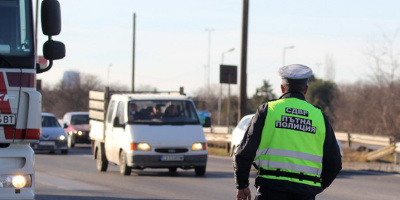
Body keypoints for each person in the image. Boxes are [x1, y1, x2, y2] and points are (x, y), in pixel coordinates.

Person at [233, 64, 342, 200]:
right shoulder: (319, 116)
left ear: (282, 88)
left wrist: (242, 185)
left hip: (270, 191)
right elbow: (335, 163)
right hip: (304, 193)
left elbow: (243, 153)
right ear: (306, 90)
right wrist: (316, 186)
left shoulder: (268, 111)